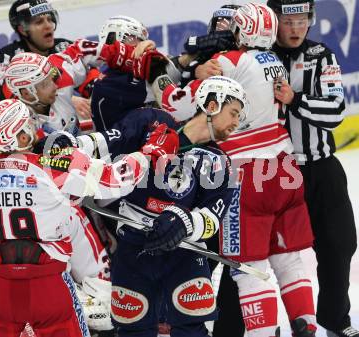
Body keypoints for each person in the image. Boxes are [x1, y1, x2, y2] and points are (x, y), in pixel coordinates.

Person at [152, 3, 318, 336]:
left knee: (248, 268)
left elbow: (176, 102)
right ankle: (306, 326)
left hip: (246, 173)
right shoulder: (274, 61)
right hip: (285, 168)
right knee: (288, 259)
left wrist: (167, 77)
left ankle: (262, 333)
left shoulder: (230, 62)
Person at [0, 98, 178, 336]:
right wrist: (151, 153)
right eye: (28, 125)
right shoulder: (52, 167)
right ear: (22, 137)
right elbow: (115, 180)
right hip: (46, 284)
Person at [77, 75, 247, 337]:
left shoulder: (220, 162)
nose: (237, 123)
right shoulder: (151, 122)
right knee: (132, 330)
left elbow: (214, 217)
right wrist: (70, 145)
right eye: (234, 112)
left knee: (192, 330)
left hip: (185, 255)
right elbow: (107, 141)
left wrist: (185, 222)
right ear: (212, 105)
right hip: (134, 250)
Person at [267, 1, 358, 336]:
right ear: (273, 20)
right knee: (256, 254)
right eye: (288, 21)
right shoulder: (257, 56)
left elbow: (335, 112)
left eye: (302, 20)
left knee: (340, 243)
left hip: (321, 169)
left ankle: (335, 318)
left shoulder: (321, 55)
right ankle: (251, 324)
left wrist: (295, 100)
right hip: (274, 174)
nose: (295, 28)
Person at [2, 37, 155, 134]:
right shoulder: (15, 125)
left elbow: (82, 49)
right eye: (45, 84)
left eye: (51, 78)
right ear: (27, 94)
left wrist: (134, 54)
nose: (55, 85)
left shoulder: (57, 73)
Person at [0, 0, 93, 120]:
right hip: (16, 121)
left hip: (59, 118)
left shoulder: (64, 47)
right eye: (39, 22)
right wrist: (67, 99)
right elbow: (12, 95)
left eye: (50, 19)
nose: (48, 25)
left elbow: (91, 77)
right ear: (22, 30)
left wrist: (97, 95)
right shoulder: (8, 55)